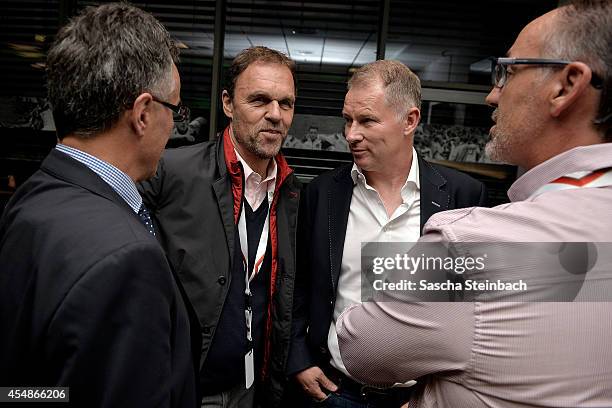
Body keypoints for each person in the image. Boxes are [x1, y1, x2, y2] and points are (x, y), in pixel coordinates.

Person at [336, 1, 612, 407]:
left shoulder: (470, 239)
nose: (491, 94)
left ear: (566, 85)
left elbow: (361, 345)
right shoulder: (324, 192)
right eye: (348, 120)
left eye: (508, 72)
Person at [0, 3, 199, 407]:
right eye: (174, 110)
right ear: (143, 113)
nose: (173, 126)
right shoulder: (126, 259)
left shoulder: (37, 194)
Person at [288, 60, 487, 407]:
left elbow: (476, 305)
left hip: (421, 398)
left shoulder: (462, 197)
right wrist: (299, 358)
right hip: (334, 392)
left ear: (410, 120)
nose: (351, 134)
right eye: (348, 120)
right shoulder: (321, 194)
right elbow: (298, 285)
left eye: (366, 120)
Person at [139, 46, 301, 407]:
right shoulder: (170, 172)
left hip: (251, 389)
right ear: (228, 104)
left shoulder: (291, 194)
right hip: (183, 386)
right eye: (259, 100)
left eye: (285, 104)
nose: (275, 115)